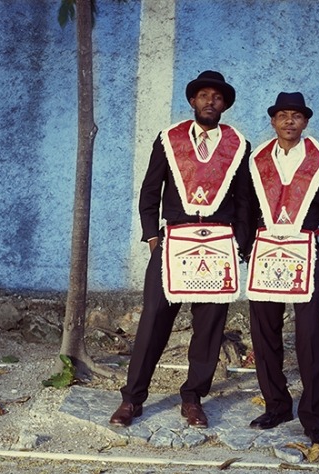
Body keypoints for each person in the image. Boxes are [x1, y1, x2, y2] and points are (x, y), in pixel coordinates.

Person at [110, 71, 252, 429]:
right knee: (153, 319)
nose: (210, 102)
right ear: (192, 101)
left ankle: (193, 398)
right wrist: (152, 237)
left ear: (225, 105)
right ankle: (132, 398)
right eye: (203, 95)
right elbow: (149, 190)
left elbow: (246, 201)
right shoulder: (169, 139)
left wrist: (242, 244)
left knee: (208, 328)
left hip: (218, 244)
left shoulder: (238, 144)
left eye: (217, 98)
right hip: (173, 240)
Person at [246, 92, 319, 451]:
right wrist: (246, 249)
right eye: (282, 115)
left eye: (297, 116)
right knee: (264, 333)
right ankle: (276, 406)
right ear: (273, 121)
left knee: (309, 339)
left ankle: (316, 421)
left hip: (306, 254)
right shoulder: (256, 160)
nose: (289, 121)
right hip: (266, 251)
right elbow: (245, 208)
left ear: (305, 122)